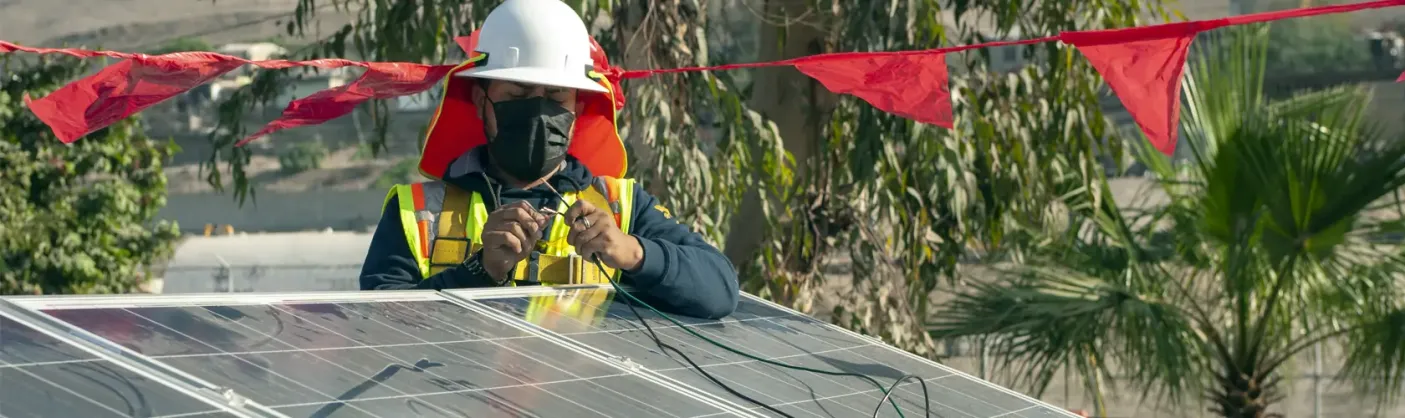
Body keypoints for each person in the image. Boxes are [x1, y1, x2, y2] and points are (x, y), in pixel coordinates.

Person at [358, 0, 739, 319]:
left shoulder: (622, 206)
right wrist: (479, 271)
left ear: (578, 107)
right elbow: (375, 327)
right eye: (519, 95)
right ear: (480, 99)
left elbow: (720, 290)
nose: (539, 113)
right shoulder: (418, 213)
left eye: (556, 99)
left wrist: (633, 253)